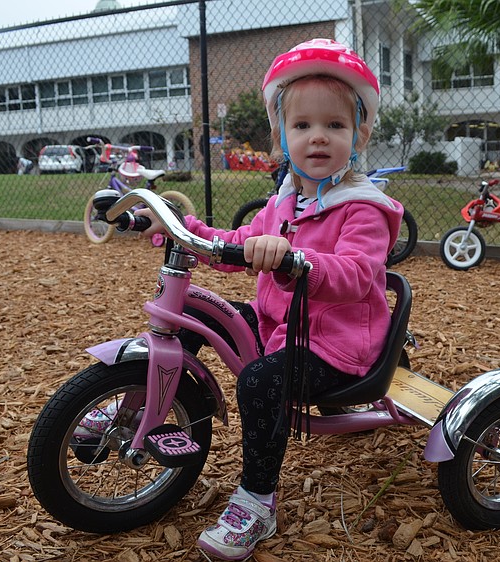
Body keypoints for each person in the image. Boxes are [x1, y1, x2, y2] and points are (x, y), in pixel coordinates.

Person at [139, 38, 403, 560]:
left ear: (361, 133)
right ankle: (143, 405)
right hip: (278, 326)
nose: (319, 138)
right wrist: (181, 227)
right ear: (282, 137)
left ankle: (257, 500)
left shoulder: (364, 210)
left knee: (261, 382)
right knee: (193, 308)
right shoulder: (285, 200)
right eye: (303, 126)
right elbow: (236, 246)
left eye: (335, 126)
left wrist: (293, 261)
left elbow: (356, 274)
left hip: (338, 347)